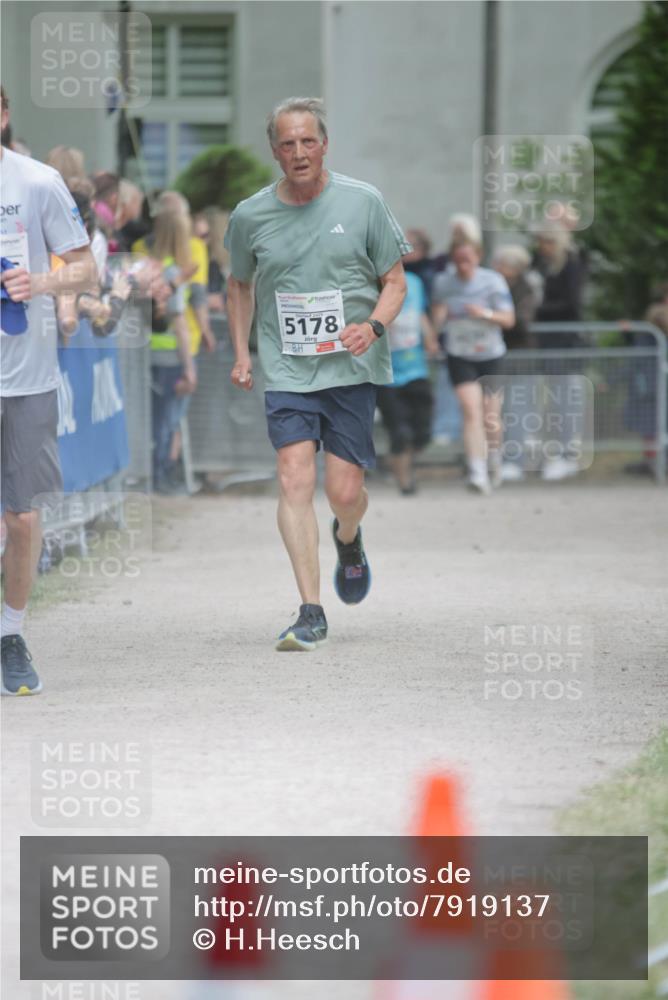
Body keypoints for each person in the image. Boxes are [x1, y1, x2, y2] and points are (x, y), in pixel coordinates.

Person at [225, 96, 409, 651]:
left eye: (309, 141)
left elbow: (395, 282)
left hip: (351, 364)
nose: (299, 152)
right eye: (288, 143)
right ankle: (310, 610)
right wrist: (242, 352)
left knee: (343, 490)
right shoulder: (250, 215)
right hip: (287, 366)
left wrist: (373, 327)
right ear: (274, 150)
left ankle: (347, 536)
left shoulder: (363, 202)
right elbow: (238, 285)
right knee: (293, 476)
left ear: (324, 145)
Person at [0, 84, 97, 695]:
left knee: (23, 517)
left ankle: (11, 634)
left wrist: (39, 281)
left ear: (4, 114)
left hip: (26, 379)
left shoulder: (36, 182)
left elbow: (88, 267)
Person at [432, 238, 515, 494]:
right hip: (460, 354)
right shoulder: (443, 283)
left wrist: (485, 314)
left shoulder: (493, 281)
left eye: (467, 260)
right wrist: (439, 323)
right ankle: (477, 472)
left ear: (478, 257)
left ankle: (494, 460)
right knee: (471, 411)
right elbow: (436, 313)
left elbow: (509, 319)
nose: (462, 266)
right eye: (458, 261)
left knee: (491, 416)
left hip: (490, 354)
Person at [376, 268, 439, 494]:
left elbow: (420, 312)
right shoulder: (370, 280)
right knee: (399, 432)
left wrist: (430, 338)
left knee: (422, 431)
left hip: (416, 369)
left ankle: (406, 465)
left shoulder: (414, 280)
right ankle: (405, 482)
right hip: (387, 375)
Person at [492, 244, 541, 482]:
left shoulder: (526, 289)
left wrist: (492, 317)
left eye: (502, 265)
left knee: (517, 410)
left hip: (520, 355)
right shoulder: (491, 285)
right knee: (493, 410)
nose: (497, 268)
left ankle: (515, 460)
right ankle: (492, 460)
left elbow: (521, 321)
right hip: (493, 354)